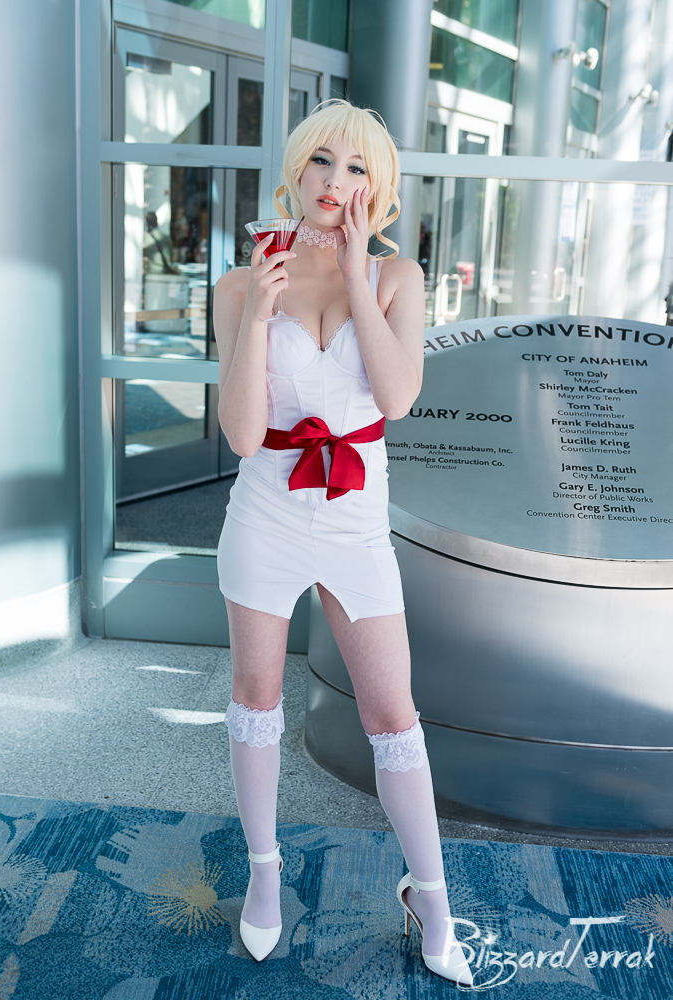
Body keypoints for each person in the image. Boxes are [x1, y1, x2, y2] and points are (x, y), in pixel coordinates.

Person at [213, 100, 473, 987]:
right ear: (296, 167)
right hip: (267, 508)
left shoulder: (398, 276)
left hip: (357, 520)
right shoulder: (242, 283)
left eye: (358, 167)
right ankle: (265, 877)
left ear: (378, 185)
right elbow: (242, 435)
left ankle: (431, 900)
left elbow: (395, 400)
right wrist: (259, 317)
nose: (336, 181)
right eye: (322, 160)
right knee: (255, 696)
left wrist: (358, 278)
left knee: (392, 715)